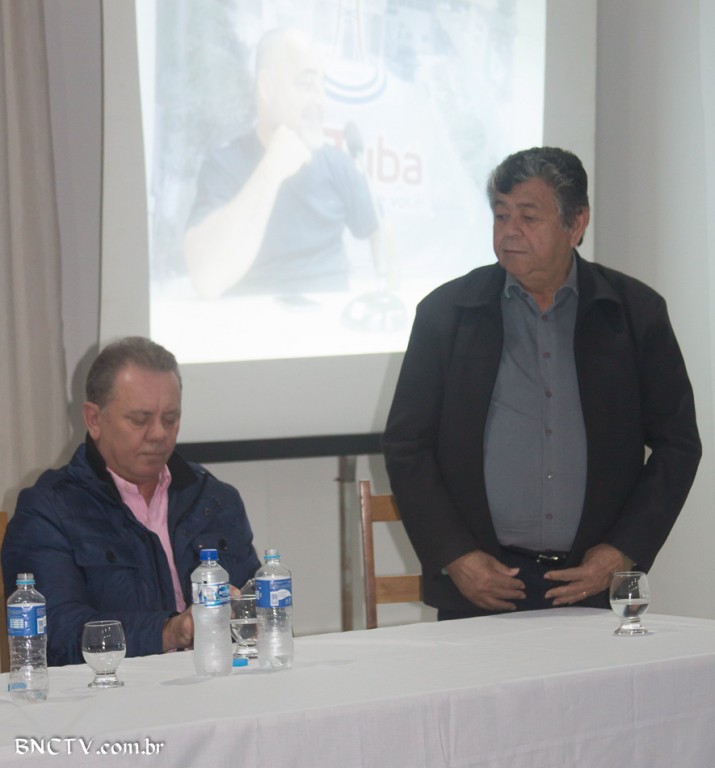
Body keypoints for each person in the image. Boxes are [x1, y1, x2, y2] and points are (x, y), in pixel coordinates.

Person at [382, 147, 701, 620]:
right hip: (483, 585)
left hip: (592, 583)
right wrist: (455, 555)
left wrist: (623, 551)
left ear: (576, 223)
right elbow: (407, 444)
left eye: (528, 217)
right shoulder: (447, 313)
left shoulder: (634, 313)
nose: (509, 231)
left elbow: (678, 445)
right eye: (501, 215)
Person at [2, 337, 260, 665]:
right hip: (112, 690)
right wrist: (168, 631)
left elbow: (257, 609)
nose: (158, 434)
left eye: (170, 418)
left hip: (219, 679)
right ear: (94, 420)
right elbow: (56, 633)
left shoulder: (215, 499)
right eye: (140, 420)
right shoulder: (48, 510)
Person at [184, 27, 381, 300]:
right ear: (266, 88)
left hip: (331, 323)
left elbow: (381, 235)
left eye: (322, 86)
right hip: (251, 324)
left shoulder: (338, 164)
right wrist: (272, 168)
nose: (321, 101)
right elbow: (207, 280)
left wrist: (388, 295)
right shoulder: (223, 166)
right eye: (306, 84)